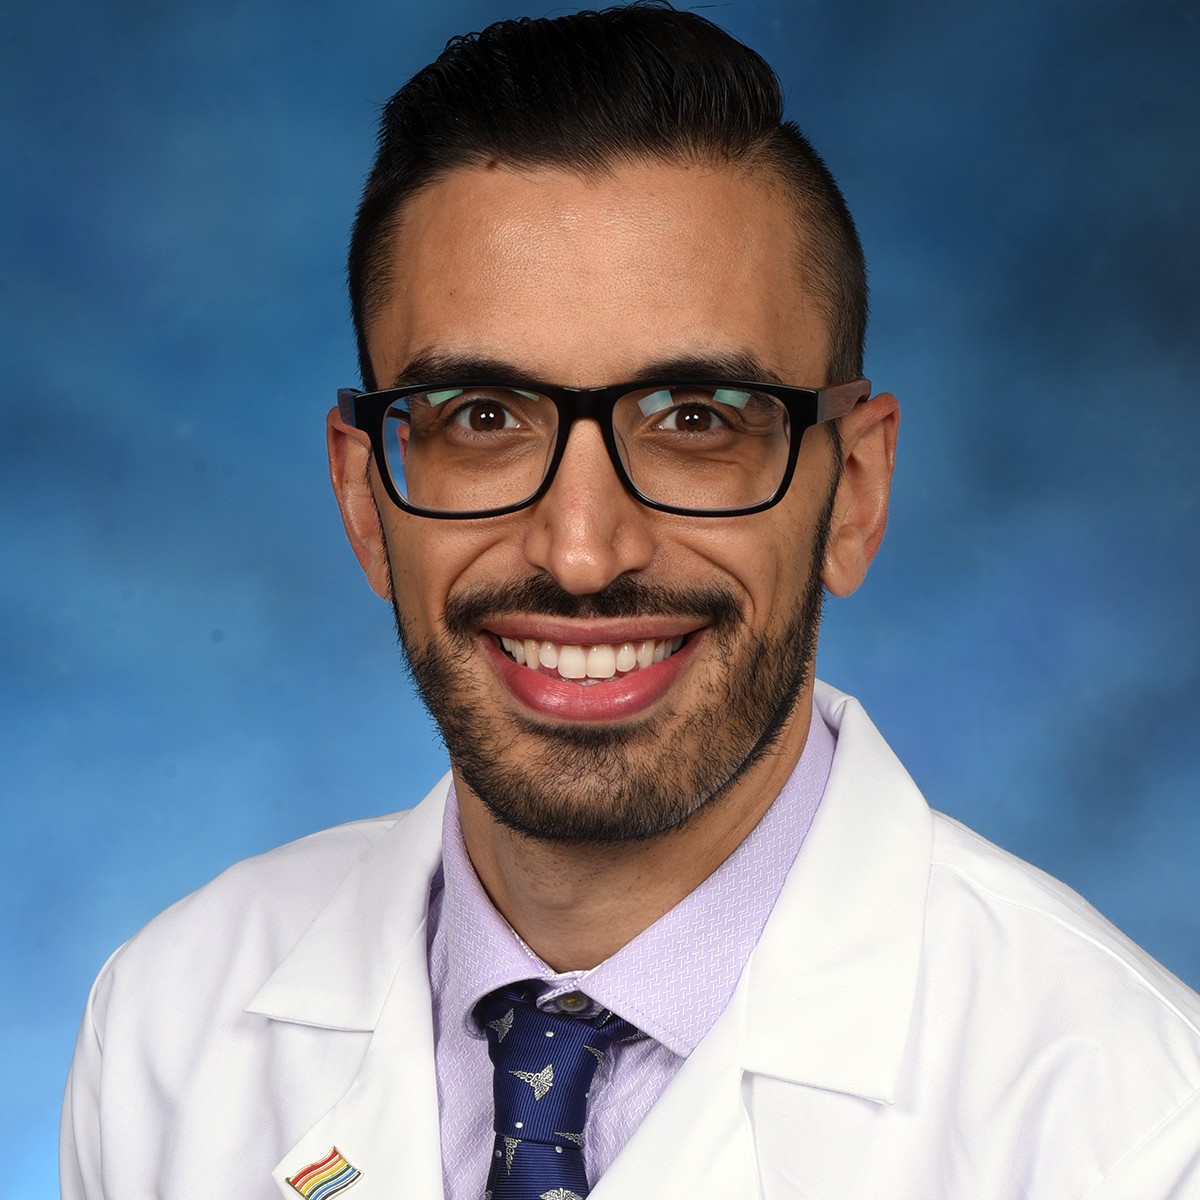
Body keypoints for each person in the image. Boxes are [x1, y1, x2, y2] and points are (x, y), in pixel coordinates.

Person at [61, 5, 1200, 1198]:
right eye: (483, 418)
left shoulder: (1132, 1133)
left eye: (696, 418)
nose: (581, 552)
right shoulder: (166, 1035)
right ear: (364, 500)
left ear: (854, 494)